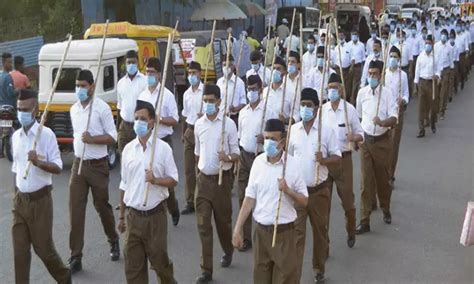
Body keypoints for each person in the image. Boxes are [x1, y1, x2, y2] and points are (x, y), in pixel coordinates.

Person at [232, 118, 308, 284]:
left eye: (273, 139)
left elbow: (304, 200)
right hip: (261, 234)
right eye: (266, 138)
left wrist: (288, 190)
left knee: (285, 279)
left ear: (283, 142)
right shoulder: (258, 163)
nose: (268, 143)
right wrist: (238, 229)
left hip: (284, 235)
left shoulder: (292, 165)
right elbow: (249, 199)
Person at [11, 89, 71, 284]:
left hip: (41, 201)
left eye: (26, 109)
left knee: (44, 250)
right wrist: (17, 195)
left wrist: (38, 163)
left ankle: (64, 278)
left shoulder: (46, 135)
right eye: (19, 109)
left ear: (36, 110)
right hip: (20, 202)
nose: (22, 113)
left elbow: (58, 167)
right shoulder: (15, 137)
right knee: (20, 253)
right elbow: (16, 170)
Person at [118, 100, 178, 284]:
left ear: (152, 121)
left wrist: (156, 180)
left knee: (160, 264)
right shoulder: (128, 150)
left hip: (155, 218)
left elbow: (173, 179)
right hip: (133, 217)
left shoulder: (163, 149)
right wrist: (121, 216)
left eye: (143, 119)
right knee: (133, 269)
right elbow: (124, 184)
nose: (138, 123)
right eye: (136, 119)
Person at [68, 70, 120, 273]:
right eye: (77, 85)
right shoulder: (74, 109)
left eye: (83, 86)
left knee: (101, 206)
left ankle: (113, 239)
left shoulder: (102, 108)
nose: (80, 89)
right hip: (78, 165)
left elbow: (112, 137)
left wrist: (93, 139)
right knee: (76, 210)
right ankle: (75, 256)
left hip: (98, 165)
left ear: (92, 86)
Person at [289, 88, 341, 283]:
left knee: (320, 232)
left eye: (309, 106)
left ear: (317, 108)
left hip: (319, 192)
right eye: (302, 105)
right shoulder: (293, 131)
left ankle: (319, 269)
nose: (305, 109)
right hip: (299, 194)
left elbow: (337, 157)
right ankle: (294, 275)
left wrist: (324, 160)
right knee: (297, 236)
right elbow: (289, 160)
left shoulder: (326, 131)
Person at [194, 84, 240, 283]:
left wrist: (227, 157)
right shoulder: (198, 124)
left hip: (222, 182)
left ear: (219, 102)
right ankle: (206, 269)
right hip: (203, 181)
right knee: (203, 225)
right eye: (205, 101)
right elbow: (197, 152)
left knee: (223, 223)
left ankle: (228, 250)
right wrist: (199, 172)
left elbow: (237, 153)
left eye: (211, 101)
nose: (208, 104)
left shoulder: (228, 124)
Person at [355, 60, 398, 235]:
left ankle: (386, 207)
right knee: (366, 182)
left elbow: (394, 118)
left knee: (383, 180)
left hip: (382, 142)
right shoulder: (362, 93)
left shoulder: (387, 94)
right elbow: (358, 117)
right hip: (366, 142)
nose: (372, 77)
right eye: (370, 73)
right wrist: (358, 139)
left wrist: (383, 122)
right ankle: (364, 220)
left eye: (375, 74)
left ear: (380, 75)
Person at [323, 73, 364, 249]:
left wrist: (353, 136)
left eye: (335, 87)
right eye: (330, 88)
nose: (332, 91)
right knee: (323, 205)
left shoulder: (349, 110)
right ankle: (323, 243)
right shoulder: (322, 111)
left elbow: (361, 135)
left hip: (343, 160)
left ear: (341, 89)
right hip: (326, 162)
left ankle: (351, 230)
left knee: (347, 200)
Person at [138, 57, 180, 226]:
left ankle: (173, 208)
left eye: (152, 73)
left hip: (162, 140)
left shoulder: (167, 96)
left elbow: (175, 120)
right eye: (147, 72)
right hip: (145, 141)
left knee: (165, 181)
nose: (149, 75)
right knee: (146, 176)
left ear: (159, 74)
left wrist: (159, 118)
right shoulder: (142, 95)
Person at [236, 75, 276, 252]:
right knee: (243, 196)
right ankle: (245, 237)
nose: (251, 92)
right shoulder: (243, 112)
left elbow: (277, 136)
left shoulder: (268, 110)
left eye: (254, 89)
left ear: (261, 90)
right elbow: (240, 137)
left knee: (263, 198)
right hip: (245, 157)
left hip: (262, 157)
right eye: (248, 89)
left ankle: (265, 232)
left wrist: (265, 137)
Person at [384, 46, 409, 185]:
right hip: (384, 112)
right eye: (391, 56)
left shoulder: (403, 75)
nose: (392, 59)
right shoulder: (383, 74)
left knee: (393, 145)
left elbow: (406, 94)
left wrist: (403, 100)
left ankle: (390, 174)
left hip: (397, 113)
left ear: (399, 59)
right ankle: (381, 173)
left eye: (395, 57)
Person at [181, 61, 203, 215]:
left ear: (200, 74)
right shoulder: (186, 94)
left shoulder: (206, 91)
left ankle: (201, 198)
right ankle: (190, 201)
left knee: (201, 168)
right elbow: (185, 115)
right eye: (189, 73)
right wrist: (184, 133)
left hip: (202, 131)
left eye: (194, 73)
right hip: (190, 130)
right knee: (189, 169)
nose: (192, 76)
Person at [116, 50, 147, 155]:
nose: (131, 65)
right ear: (125, 64)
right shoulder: (120, 83)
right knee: (124, 159)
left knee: (139, 157)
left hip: (139, 126)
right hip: (124, 126)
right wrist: (118, 129)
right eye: (128, 62)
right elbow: (119, 107)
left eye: (133, 62)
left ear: (138, 63)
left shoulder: (144, 81)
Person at [414, 35, 440, 138]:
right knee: (421, 106)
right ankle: (421, 129)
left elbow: (439, 69)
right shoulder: (421, 56)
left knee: (433, 106)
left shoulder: (435, 57)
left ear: (432, 45)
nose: (427, 45)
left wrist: (437, 75)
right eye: (426, 43)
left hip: (431, 83)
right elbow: (417, 71)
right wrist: (415, 84)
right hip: (422, 83)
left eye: (429, 43)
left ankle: (432, 122)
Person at [216, 54, 246, 124]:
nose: (226, 67)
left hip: (233, 118)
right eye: (224, 65)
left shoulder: (239, 82)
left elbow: (243, 102)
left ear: (233, 66)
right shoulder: (219, 82)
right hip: (220, 118)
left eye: (229, 65)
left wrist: (235, 108)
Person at [262, 56, 291, 121]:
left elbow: (295, 114)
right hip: (266, 127)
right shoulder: (265, 91)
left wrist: (286, 120)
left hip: (281, 127)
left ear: (284, 72)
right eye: (274, 68)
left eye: (278, 69)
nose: (275, 71)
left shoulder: (289, 93)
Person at [434, 29, 454, 120]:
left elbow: (451, 62)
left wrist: (450, 74)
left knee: (443, 92)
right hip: (437, 71)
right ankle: (436, 108)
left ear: (447, 36)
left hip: (446, 71)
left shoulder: (449, 48)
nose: (443, 36)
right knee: (436, 91)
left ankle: (442, 111)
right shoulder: (435, 46)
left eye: (445, 35)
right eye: (442, 34)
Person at [0, 52, 15, 158]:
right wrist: (18, 91)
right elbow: (11, 93)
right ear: (4, 63)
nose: (11, 65)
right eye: (9, 62)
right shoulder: (8, 77)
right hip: (9, 107)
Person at [347, 29, 366, 105]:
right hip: (349, 67)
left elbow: (363, 58)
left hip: (358, 67)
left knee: (356, 85)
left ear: (357, 36)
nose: (354, 36)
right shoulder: (348, 45)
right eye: (352, 34)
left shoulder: (361, 45)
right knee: (349, 84)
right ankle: (348, 100)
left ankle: (354, 100)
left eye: (355, 34)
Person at [334, 29, 351, 102]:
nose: (341, 37)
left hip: (346, 70)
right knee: (338, 86)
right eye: (339, 35)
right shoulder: (336, 48)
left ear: (345, 36)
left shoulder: (349, 46)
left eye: (342, 35)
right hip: (338, 70)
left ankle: (346, 101)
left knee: (346, 87)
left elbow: (352, 59)